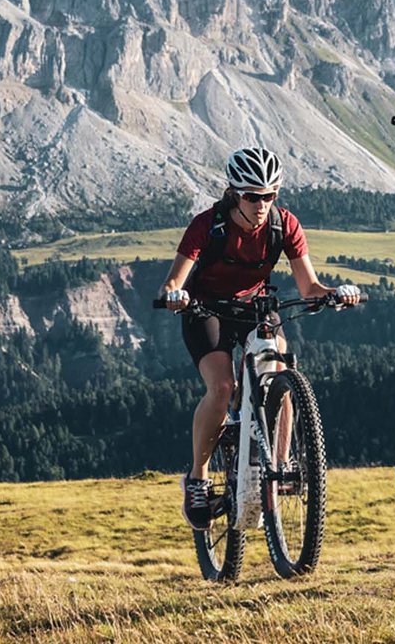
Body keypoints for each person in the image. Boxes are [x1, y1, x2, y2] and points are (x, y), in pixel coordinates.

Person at [162, 146, 359, 529]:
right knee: (221, 387)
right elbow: (174, 280)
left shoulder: (283, 225)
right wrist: (176, 295)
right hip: (206, 308)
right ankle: (198, 477)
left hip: (255, 306)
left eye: (270, 195)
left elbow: (309, 286)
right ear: (235, 193)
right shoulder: (208, 225)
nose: (262, 204)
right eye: (253, 196)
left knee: (279, 369)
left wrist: (336, 293)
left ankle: (280, 464)